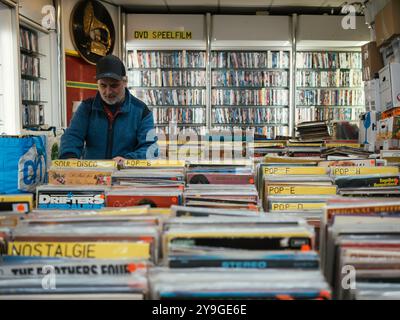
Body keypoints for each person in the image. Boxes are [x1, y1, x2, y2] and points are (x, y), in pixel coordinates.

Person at [59, 54, 158, 162]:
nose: (108, 92)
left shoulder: (142, 111)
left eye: (114, 85)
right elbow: (72, 136)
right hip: (93, 175)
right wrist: (69, 156)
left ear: (125, 82)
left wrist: (129, 159)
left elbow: (151, 148)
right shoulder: (86, 108)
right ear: (97, 83)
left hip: (126, 174)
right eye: (103, 85)